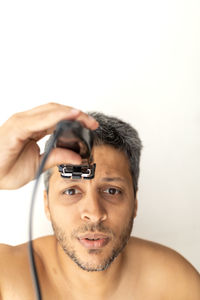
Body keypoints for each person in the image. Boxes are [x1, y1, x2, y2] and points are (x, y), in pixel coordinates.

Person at [0, 102, 199, 300]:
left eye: (112, 191)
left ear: (135, 202)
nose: (94, 213)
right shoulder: (8, 278)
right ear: (47, 205)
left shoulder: (176, 285)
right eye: (71, 191)